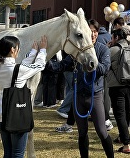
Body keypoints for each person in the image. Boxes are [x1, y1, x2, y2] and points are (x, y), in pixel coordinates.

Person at [50, 19, 114, 158]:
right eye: (89, 31)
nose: (92, 34)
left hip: (95, 95)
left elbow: (105, 69)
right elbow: (61, 66)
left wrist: (91, 65)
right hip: (78, 95)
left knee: (102, 131)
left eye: (95, 31)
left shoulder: (102, 49)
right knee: (82, 132)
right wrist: (45, 59)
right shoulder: (77, 51)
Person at [0, 35, 47, 158]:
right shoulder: (17, 70)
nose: (18, 50)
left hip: (2, 114)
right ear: (13, 50)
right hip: (17, 115)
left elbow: (21, 67)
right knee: (18, 154)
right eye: (18, 48)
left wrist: (33, 52)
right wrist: (42, 50)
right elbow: (39, 66)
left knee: (8, 152)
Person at [106, 28, 130, 154]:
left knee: (120, 115)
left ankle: (126, 144)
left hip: (116, 86)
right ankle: (122, 137)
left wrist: (107, 48)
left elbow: (103, 64)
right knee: (126, 113)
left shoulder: (113, 50)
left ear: (116, 37)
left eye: (112, 38)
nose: (111, 40)